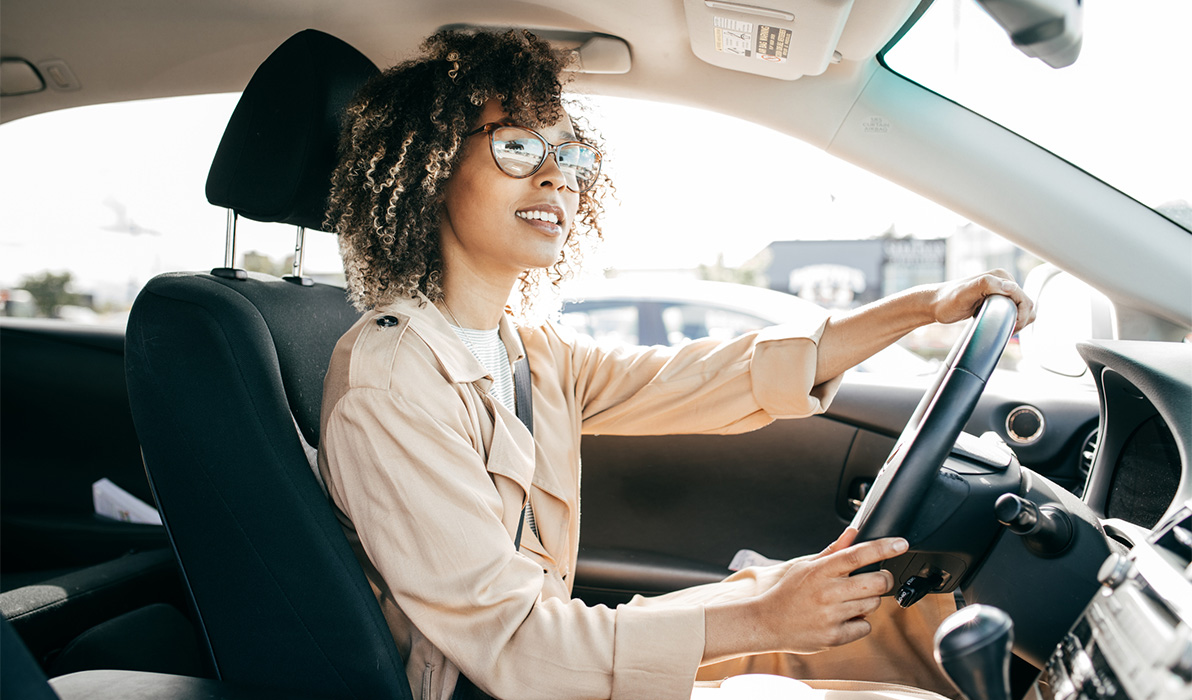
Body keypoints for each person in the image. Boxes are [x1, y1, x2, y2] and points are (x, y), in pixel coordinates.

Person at [317, 29, 1035, 700]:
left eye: (568, 157)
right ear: (433, 166)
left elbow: (702, 377)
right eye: (515, 148)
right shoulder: (393, 380)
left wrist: (921, 309)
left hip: (547, 669)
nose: (556, 180)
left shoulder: (522, 350)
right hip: (497, 683)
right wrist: (763, 619)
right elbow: (511, 644)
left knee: (880, 638)